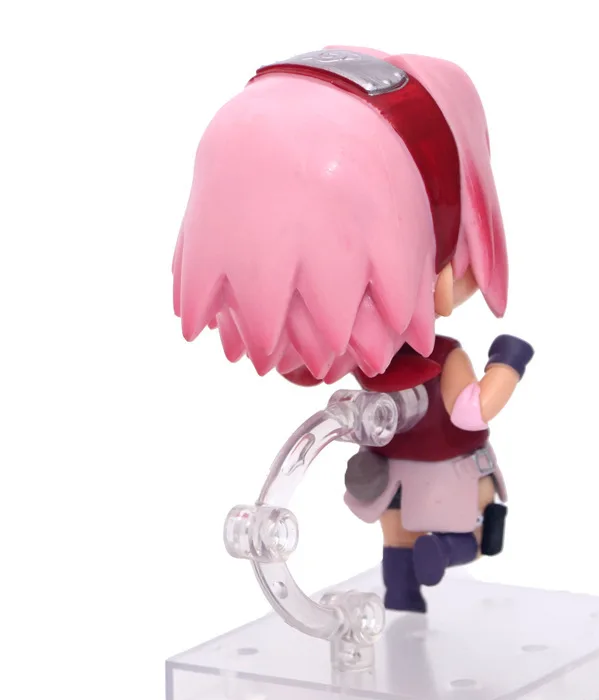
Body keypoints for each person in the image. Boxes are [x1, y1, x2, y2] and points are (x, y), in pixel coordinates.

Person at [173, 46, 533, 612]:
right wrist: (509, 362)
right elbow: (472, 411)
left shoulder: (373, 366)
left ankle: (403, 592)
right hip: (445, 475)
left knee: (396, 539)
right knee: (471, 534)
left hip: (390, 478)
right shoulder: (444, 357)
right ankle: (441, 553)